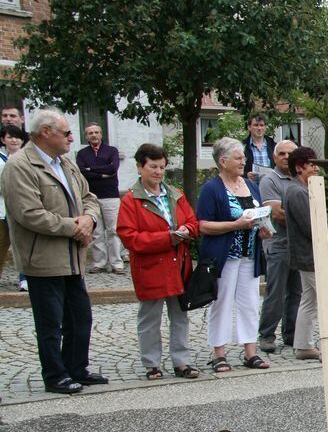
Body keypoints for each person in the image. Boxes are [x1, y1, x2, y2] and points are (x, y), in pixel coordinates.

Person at [0, 108, 107, 394]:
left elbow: (89, 198)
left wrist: (90, 219)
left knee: (80, 317)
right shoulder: (20, 165)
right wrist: (75, 226)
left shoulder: (66, 164)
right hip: (43, 258)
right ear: (46, 133)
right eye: (67, 132)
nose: (72, 137)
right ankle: (55, 374)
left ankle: (76, 367)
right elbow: (29, 214)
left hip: (72, 257)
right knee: (51, 322)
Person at [117, 143, 200, 379]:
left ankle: (182, 361)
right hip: (151, 267)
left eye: (162, 167)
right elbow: (130, 237)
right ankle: (151, 363)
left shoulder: (176, 194)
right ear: (140, 167)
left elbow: (194, 223)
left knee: (180, 315)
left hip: (178, 265)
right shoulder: (131, 201)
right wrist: (167, 238)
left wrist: (187, 229)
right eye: (153, 166)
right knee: (150, 318)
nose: (158, 172)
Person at [197, 137, 273, 372]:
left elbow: (256, 214)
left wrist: (263, 229)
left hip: (250, 254)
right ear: (223, 161)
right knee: (221, 302)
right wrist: (235, 225)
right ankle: (218, 352)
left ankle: (250, 351)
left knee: (249, 303)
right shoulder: (212, 189)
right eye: (238, 157)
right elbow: (204, 225)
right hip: (224, 256)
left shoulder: (250, 186)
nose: (243, 161)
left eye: (243, 157)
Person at [256, 139, 301, 353]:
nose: (285, 157)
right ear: (274, 158)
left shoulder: (301, 179)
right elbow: (277, 214)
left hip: (299, 244)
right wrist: (304, 216)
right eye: (281, 153)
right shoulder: (269, 180)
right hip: (278, 243)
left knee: (297, 293)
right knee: (276, 291)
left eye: (289, 153)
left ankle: (291, 335)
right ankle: (266, 335)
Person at [282, 146, 323, 360]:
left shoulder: (300, 189)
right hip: (309, 256)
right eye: (312, 164)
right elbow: (310, 226)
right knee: (327, 297)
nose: (316, 168)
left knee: (309, 300)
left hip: (307, 255)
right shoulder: (297, 191)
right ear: (299, 168)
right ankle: (324, 342)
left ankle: (303, 345)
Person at [76, 123, 123, 274]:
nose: (94, 135)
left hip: (110, 196)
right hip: (91, 197)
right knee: (96, 232)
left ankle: (117, 263)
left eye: (96, 132)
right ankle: (99, 263)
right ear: (86, 136)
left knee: (114, 230)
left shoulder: (111, 151)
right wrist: (102, 172)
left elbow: (113, 168)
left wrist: (92, 169)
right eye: (90, 133)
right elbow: (82, 172)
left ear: (101, 134)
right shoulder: (82, 154)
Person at [0, 124, 28, 281]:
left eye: (17, 137)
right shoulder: (0, 159)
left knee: (24, 246)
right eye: (10, 137)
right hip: (2, 210)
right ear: (3, 140)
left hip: (23, 208)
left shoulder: (28, 158)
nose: (14, 140)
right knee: (1, 245)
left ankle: (25, 278)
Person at [242, 114, 276, 180]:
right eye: (256, 125)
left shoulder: (273, 146)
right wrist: (246, 175)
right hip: (250, 186)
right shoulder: (242, 146)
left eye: (262, 125)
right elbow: (235, 168)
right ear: (249, 127)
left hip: (270, 186)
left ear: (265, 127)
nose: (259, 128)